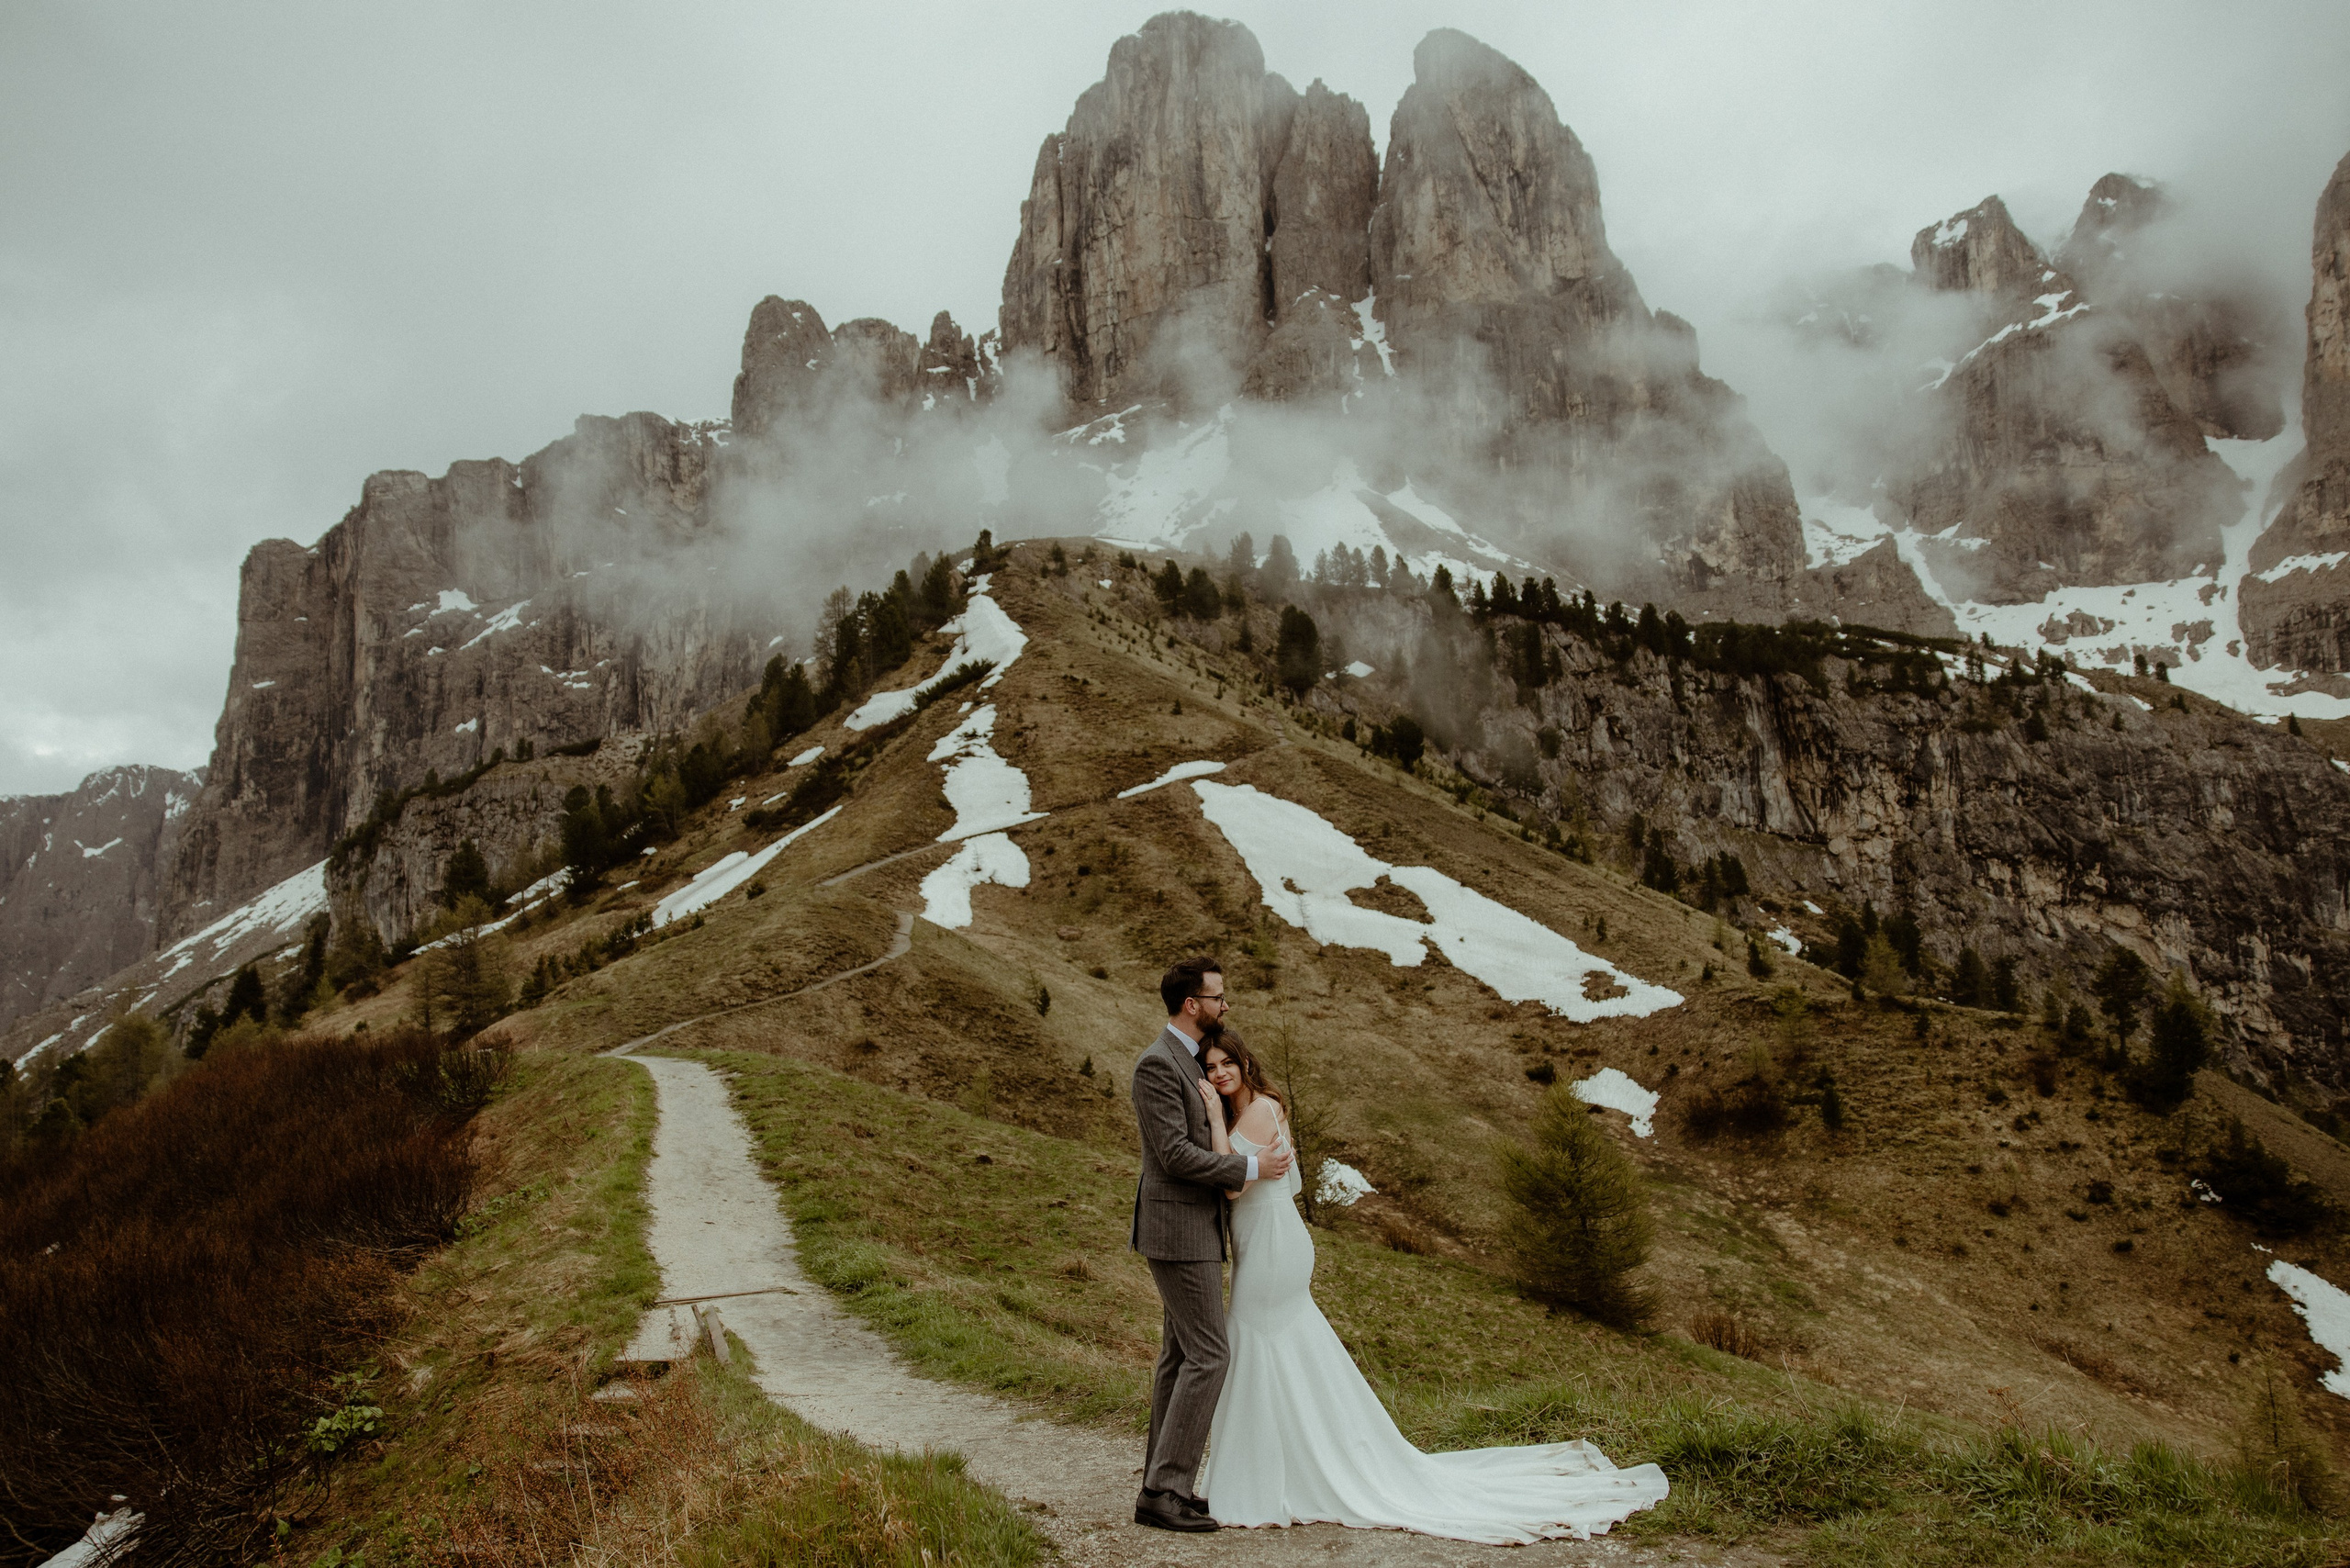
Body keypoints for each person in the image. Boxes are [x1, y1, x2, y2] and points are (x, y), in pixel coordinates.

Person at [1192, 1029, 1671, 1542]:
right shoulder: (1255, 1112)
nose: (1220, 1073)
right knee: (1278, 1347)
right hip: (1268, 1238)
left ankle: (1260, 1481)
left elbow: (1232, 1181)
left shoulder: (1259, 1110)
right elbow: (1278, 1180)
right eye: (1211, 1067)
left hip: (1271, 1244)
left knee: (1250, 1338)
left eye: (1227, 1064)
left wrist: (1217, 1121)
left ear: (1244, 1063)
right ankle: (1294, 1463)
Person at [1127, 956, 1292, 1533]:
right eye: (1219, 997)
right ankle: (1165, 1490)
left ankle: (1161, 1482)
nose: (1226, 1006)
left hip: (1194, 1228)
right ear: (1192, 1004)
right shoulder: (1157, 1064)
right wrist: (1251, 1164)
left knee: (1180, 1355)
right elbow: (1173, 1155)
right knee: (1209, 1354)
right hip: (1178, 1230)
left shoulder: (1191, 1059)